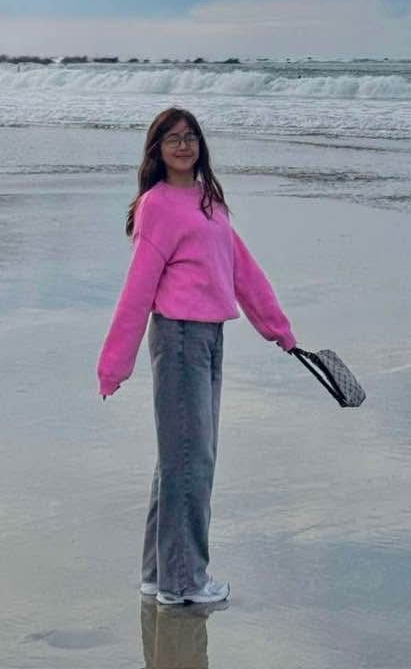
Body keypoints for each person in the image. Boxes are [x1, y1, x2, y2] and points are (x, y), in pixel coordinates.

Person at [97, 106, 297, 606]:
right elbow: (138, 287)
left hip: (209, 337)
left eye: (190, 137)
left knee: (179, 458)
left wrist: (277, 328)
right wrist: (115, 364)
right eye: (173, 139)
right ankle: (183, 583)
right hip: (179, 337)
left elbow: (241, 268)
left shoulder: (209, 200)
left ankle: (158, 573)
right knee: (191, 459)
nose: (184, 146)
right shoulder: (157, 206)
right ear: (157, 150)